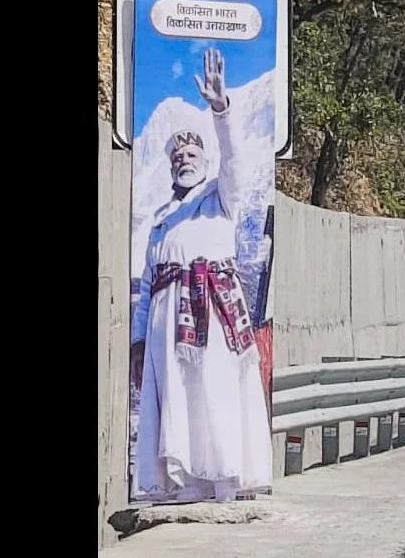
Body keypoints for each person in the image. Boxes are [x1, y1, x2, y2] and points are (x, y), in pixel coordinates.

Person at [129, 47, 273, 502]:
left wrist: (221, 109)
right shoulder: (161, 220)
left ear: (205, 161)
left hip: (213, 311)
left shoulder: (220, 197)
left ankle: (225, 481)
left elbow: (235, 160)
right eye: (178, 156)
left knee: (214, 392)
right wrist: (137, 340)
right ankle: (186, 482)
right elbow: (147, 286)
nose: (184, 160)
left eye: (192, 153)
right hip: (165, 324)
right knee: (176, 399)